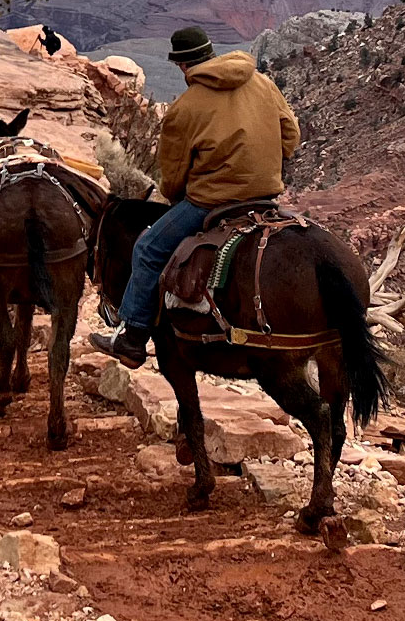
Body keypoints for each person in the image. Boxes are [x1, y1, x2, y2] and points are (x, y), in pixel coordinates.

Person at [90, 24, 301, 367]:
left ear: (182, 66)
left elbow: (173, 178)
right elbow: (291, 137)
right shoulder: (262, 82)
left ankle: (131, 335)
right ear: (210, 53)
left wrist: (180, 193)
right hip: (265, 198)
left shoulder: (184, 108)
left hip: (211, 202)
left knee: (147, 249)